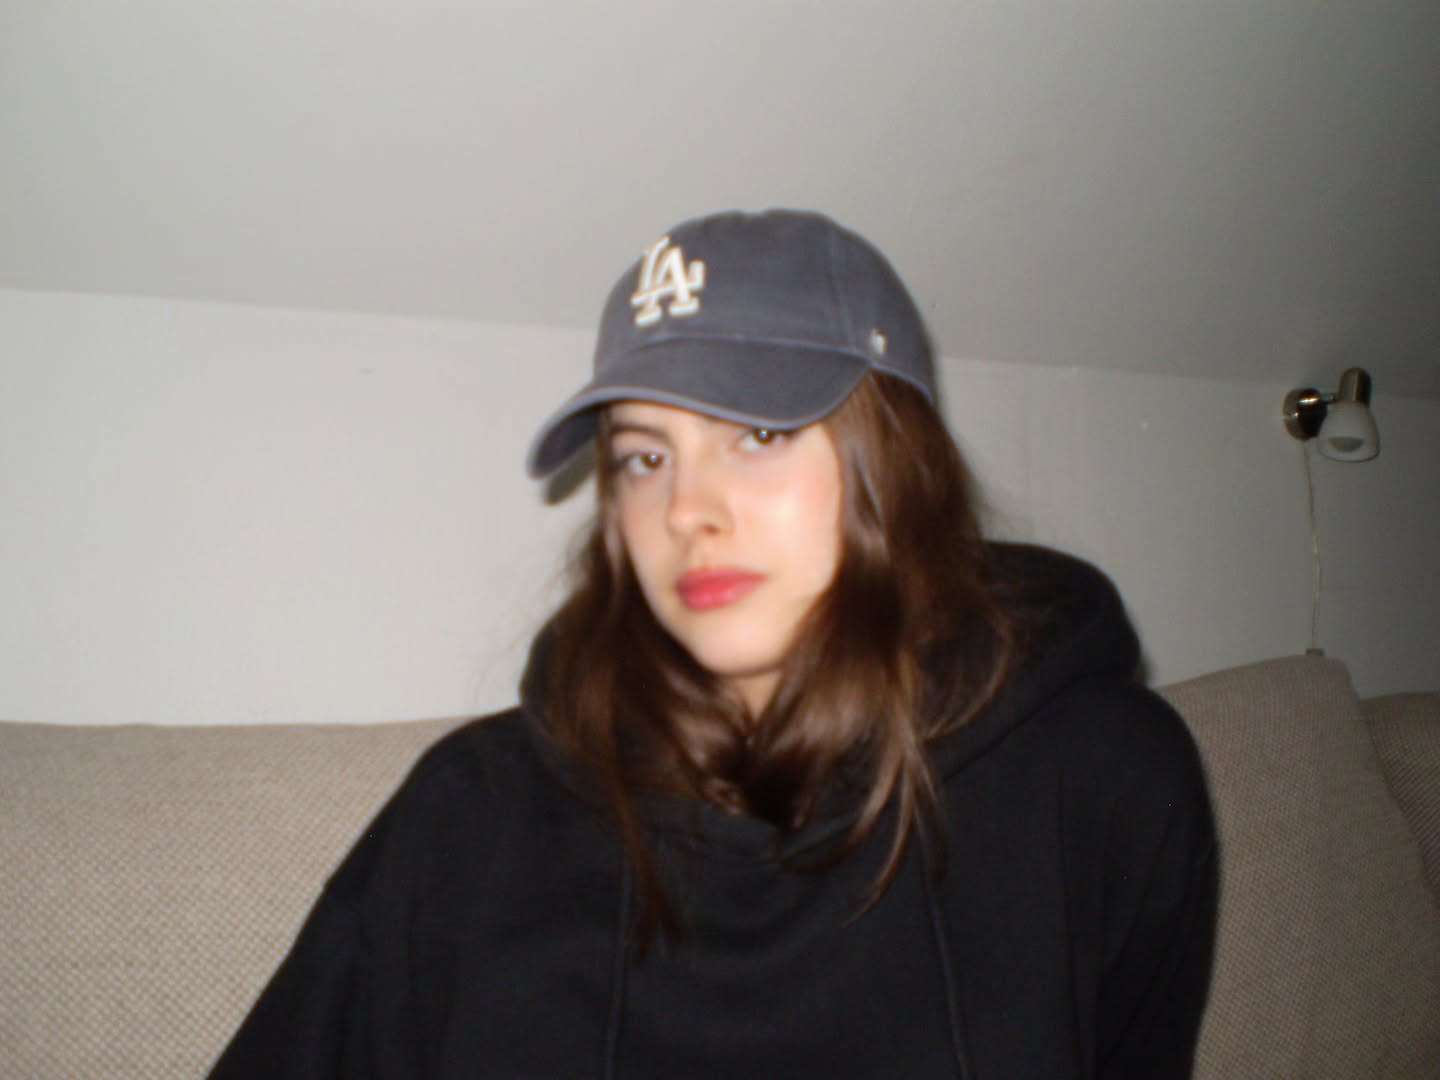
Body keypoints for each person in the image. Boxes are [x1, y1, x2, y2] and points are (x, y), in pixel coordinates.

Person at [210, 210, 1217, 1078]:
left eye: (758, 434)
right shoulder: (469, 816)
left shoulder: (1103, 781)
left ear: (896, 457)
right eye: (645, 457)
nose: (687, 508)